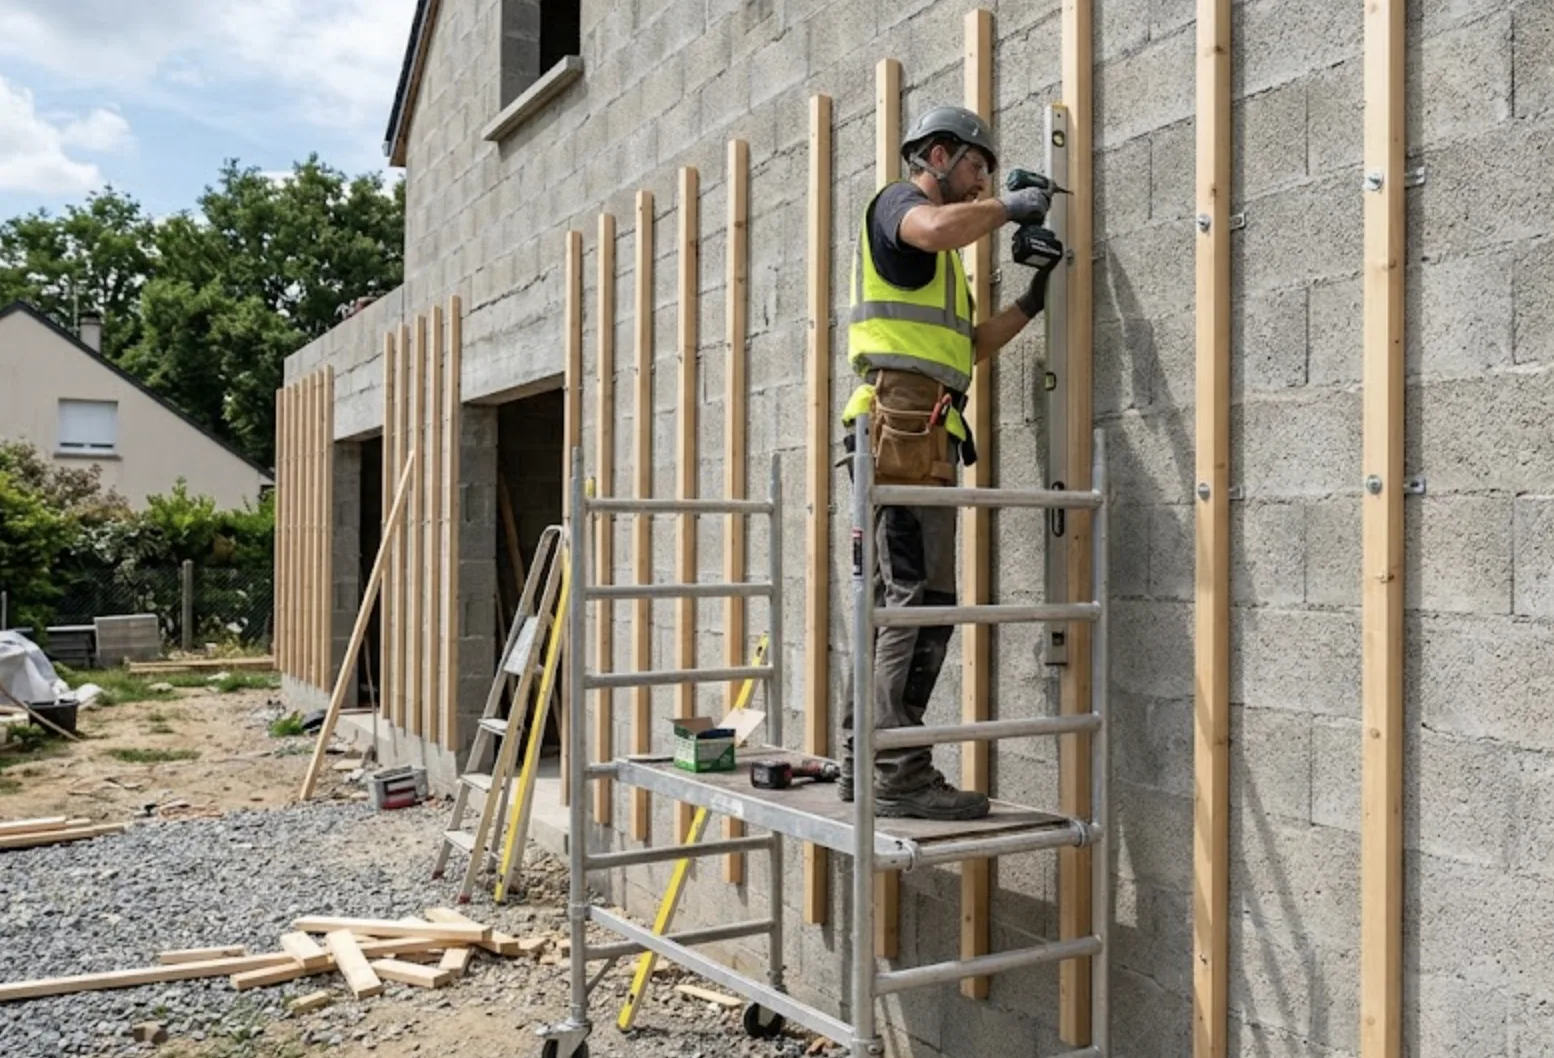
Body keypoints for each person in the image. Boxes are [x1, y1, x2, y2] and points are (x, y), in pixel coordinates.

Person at [838, 105, 1063, 821]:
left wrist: (1032, 302)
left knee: (912, 604)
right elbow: (937, 226)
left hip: (920, 431)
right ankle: (897, 768)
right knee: (915, 602)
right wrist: (1009, 209)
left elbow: (960, 349)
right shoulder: (901, 208)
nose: (982, 183)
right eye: (976, 165)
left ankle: (863, 760)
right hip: (899, 430)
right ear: (936, 154)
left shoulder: (940, 266)